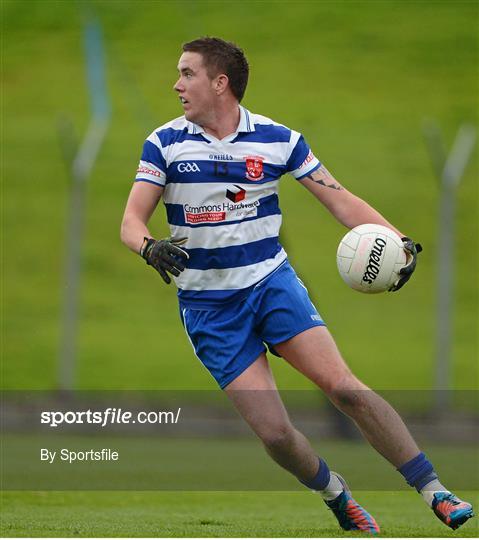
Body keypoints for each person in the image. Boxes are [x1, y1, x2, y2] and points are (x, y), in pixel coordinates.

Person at [121, 37, 474, 533]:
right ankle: (336, 494)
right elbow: (130, 221)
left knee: (345, 388)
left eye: (187, 74)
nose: (176, 84)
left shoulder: (279, 139)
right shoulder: (165, 144)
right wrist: (149, 246)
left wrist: (399, 241)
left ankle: (435, 491)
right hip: (208, 309)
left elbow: (339, 200)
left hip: (271, 284)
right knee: (276, 434)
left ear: (220, 83)